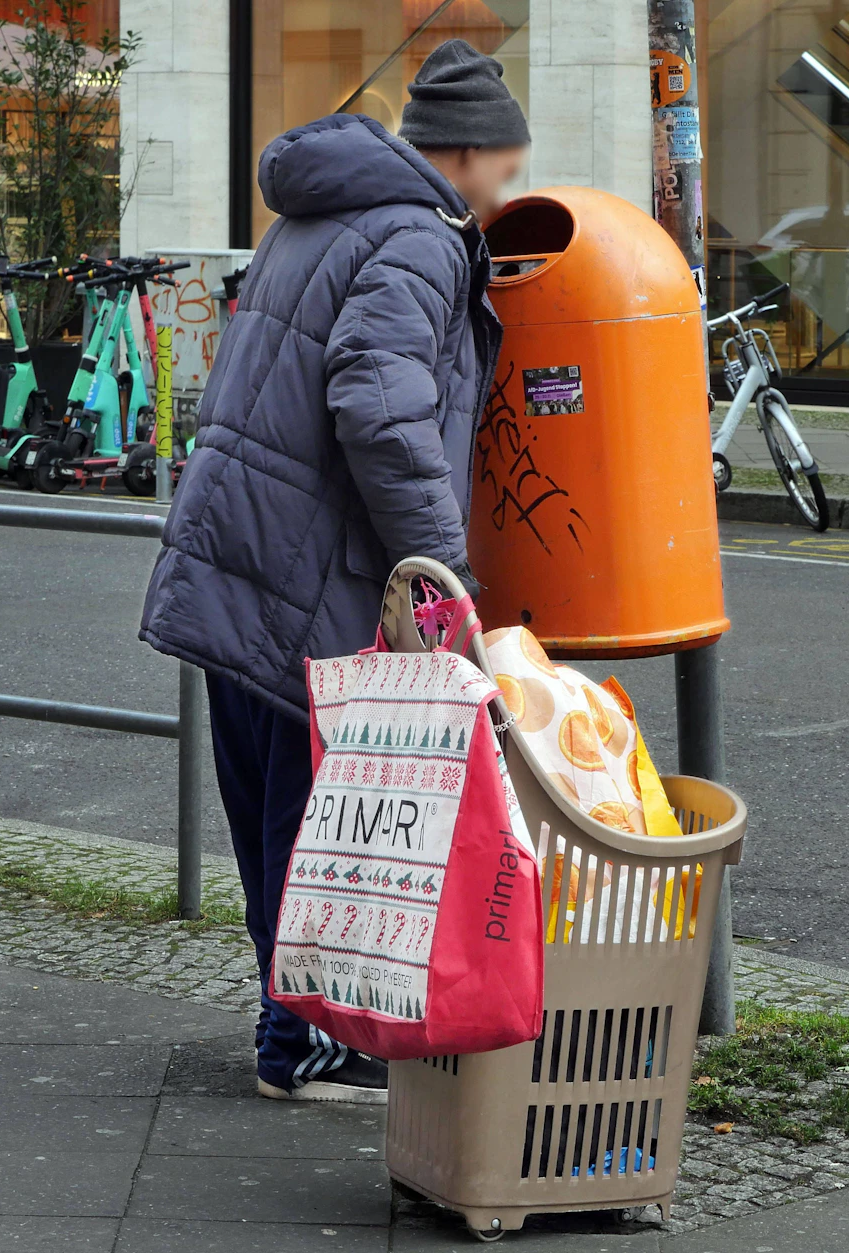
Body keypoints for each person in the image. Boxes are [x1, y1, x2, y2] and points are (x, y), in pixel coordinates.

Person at [139, 39, 528, 1104]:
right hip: (310, 567)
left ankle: (293, 1024)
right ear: (469, 151)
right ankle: (303, 1042)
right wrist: (440, 570)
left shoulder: (318, 214)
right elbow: (379, 404)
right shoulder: (422, 235)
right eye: (505, 165)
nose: (508, 190)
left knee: (270, 797)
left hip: (243, 546)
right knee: (317, 817)